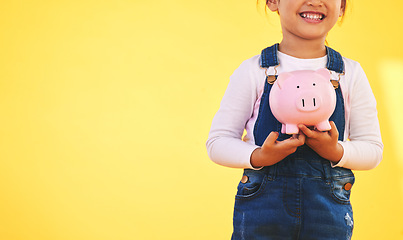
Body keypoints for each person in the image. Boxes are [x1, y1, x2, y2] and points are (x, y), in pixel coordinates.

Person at [205, 0, 383, 239]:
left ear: (342, 6)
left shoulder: (350, 74)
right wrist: (259, 156)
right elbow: (218, 142)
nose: (315, 1)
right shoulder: (254, 71)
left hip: (327, 212)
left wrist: (335, 151)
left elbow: (372, 150)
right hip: (262, 210)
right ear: (273, 2)